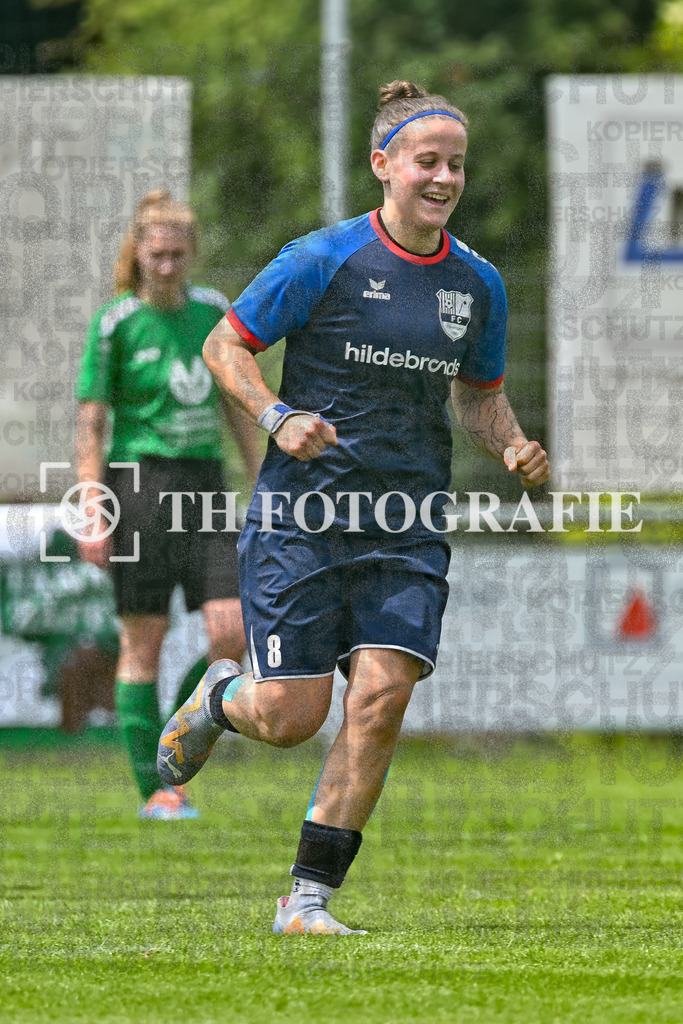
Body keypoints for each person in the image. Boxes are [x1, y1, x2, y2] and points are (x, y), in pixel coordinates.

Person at [157, 81, 550, 927]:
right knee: (291, 717)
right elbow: (223, 345)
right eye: (427, 161)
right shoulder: (320, 259)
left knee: (379, 700)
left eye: (456, 165)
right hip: (302, 522)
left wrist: (511, 442)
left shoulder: (477, 283)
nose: (444, 178)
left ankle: (307, 901)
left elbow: (478, 396)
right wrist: (277, 415)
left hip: (406, 527)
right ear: (383, 166)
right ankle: (223, 696)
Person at [75, 191, 261, 819]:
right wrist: (92, 507)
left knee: (232, 633)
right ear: (139, 253)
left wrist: (264, 482)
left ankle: (184, 728)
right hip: (138, 485)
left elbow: (240, 404)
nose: (168, 265)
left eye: (179, 254)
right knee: (143, 642)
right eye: (157, 254)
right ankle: (157, 788)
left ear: (192, 255)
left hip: (206, 484)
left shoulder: (213, 310)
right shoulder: (115, 321)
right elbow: (91, 424)